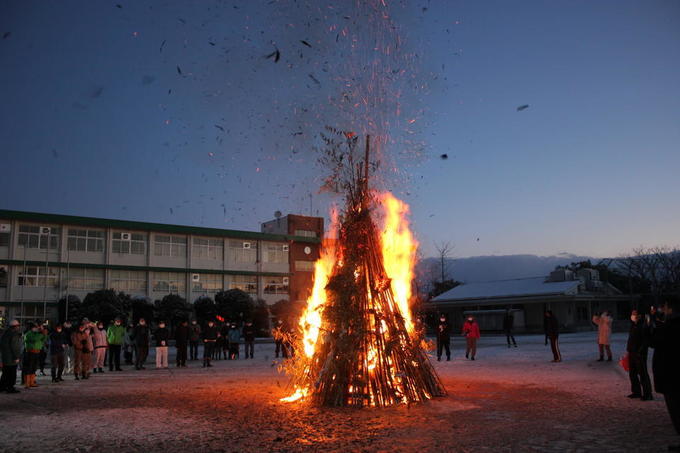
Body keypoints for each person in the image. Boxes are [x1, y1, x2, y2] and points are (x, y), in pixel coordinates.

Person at [651, 298, 680, 451]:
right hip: (671, 374)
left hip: (671, 374)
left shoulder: (671, 326)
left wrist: (653, 326)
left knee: (676, 409)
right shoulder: (669, 325)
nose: (664, 309)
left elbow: (655, 341)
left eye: (665, 307)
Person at [626, 309, 653, 400]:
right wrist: (628, 350)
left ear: (640, 315)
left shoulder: (643, 325)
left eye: (635, 313)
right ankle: (636, 392)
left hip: (640, 354)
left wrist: (641, 351)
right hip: (632, 352)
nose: (633, 315)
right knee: (632, 374)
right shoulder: (633, 325)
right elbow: (631, 339)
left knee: (643, 374)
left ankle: (647, 394)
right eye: (632, 313)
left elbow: (646, 340)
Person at [0, 319, 23, 393]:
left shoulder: (5, 333)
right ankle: (10, 388)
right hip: (12, 358)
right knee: (12, 374)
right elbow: (15, 347)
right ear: (15, 326)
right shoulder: (14, 334)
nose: (18, 327)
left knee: (5, 373)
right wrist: (17, 357)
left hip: (5, 357)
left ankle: (2, 387)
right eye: (18, 326)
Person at [23, 322, 46, 388]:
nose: (37, 328)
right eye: (35, 327)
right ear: (31, 328)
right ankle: (27, 383)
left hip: (37, 352)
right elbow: (35, 339)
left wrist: (43, 332)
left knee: (34, 368)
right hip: (30, 352)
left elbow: (44, 339)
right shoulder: (28, 334)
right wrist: (41, 333)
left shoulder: (37, 334)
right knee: (29, 367)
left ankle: (32, 382)